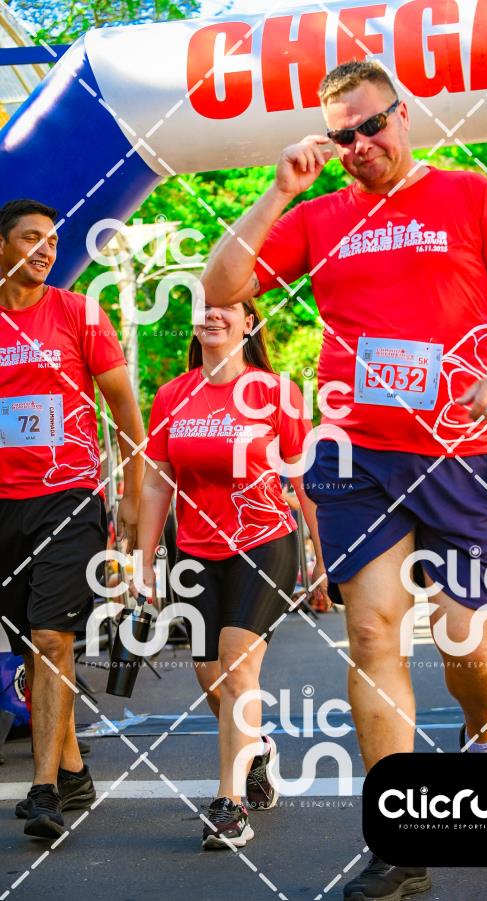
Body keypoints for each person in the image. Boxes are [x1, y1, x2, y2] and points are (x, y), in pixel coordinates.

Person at [200, 59, 487, 897]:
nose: (359, 144)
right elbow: (221, 288)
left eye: (371, 125)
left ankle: (481, 732)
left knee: (467, 639)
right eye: (342, 135)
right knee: (370, 634)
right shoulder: (319, 216)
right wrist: (278, 191)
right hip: (355, 453)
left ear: (403, 116)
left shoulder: (469, 195)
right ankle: (400, 843)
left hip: (456, 448)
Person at [137, 299, 327, 849]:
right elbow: (157, 481)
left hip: (264, 543)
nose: (213, 315)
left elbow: (305, 481)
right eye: (205, 306)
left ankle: (230, 805)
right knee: (210, 676)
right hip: (194, 552)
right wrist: (144, 559)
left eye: (227, 307)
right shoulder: (172, 396)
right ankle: (258, 748)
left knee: (238, 667)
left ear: (249, 322)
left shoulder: (276, 393)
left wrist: (324, 558)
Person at [0, 199, 145, 839]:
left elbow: (126, 413)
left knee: (52, 638)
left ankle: (43, 792)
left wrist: (133, 500)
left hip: (68, 496)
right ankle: (75, 770)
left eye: (53, 240)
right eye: (31, 237)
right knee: (29, 648)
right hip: (4, 505)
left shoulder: (80, 313)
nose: (46, 249)